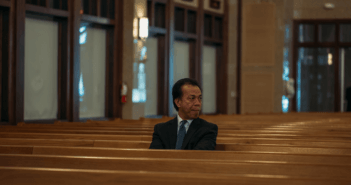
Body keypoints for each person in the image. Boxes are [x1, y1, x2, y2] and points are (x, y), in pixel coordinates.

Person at [149, 78, 218, 150]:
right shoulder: (161, 129)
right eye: (192, 98)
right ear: (178, 102)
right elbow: (155, 155)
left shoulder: (208, 129)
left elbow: (199, 155)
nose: (198, 103)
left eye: (200, 98)